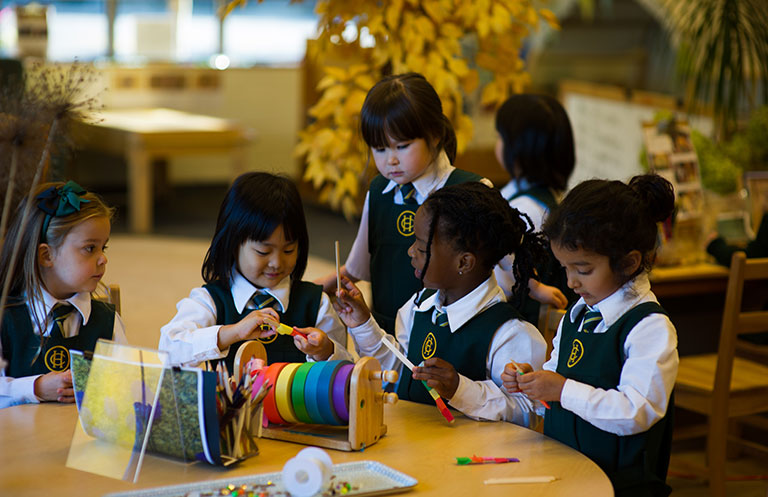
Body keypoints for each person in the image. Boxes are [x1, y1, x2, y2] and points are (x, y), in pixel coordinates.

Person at [503, 174, 679, 496]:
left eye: (582, 270)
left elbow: (635, 411)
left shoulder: (648, 327)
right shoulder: (579, 312)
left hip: (619, 482)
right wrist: (533, 383)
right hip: (566, 467)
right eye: (564, 268)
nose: (571, 282)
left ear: (628, 263)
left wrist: (563, 389)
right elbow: (557, 379)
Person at [332, 182, 548, 426]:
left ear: (464, 263)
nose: (411, 252)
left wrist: (460, 388)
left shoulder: (512, 334)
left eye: (422, 248)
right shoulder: (417, 307)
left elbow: (528, 415)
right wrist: (362, 324)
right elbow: (399, 375)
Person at [316, 72, 489, 334]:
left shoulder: (473, 191)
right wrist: (314, 289)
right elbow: (357, 266)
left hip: (451, 336)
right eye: (380, 149)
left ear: (434, 136)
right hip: (385, 332)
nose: (391, 160)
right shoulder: (378, 191)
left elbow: (502, 271)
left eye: (402, 146)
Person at [160, 172, 350, 371]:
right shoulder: (210, 300)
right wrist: (233, 332)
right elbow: (168, 348)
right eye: (263, 251)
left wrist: (325, 351)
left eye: (288, 250)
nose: (276, 262)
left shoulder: (316, 303)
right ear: (233, 244)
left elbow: (345, 373)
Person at [0, 181, 126, 408]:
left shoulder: (107, 321)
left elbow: (126, 386)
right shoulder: (6, 317)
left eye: (103, 248)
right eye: (90, 248)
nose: (103, 259)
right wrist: (35, 387)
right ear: (47, 256)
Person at [493, 94, 577, 321]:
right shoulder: (541, 195)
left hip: (523, 326)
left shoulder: (525, 210)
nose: (497, 144)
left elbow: (503, 283)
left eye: (501, 137)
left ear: (518, 149)